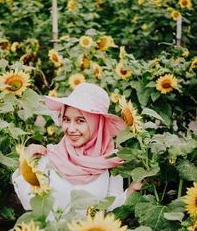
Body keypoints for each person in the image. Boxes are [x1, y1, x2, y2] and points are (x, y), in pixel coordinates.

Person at [12, 83, 142, 220]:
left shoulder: (111, 163)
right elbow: (30, 203)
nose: (71, 128)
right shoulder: (51, 157)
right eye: (66, 119)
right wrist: (24, 164)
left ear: (97, 124)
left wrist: (131, 191)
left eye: (80, 121)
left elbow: (110, 208)